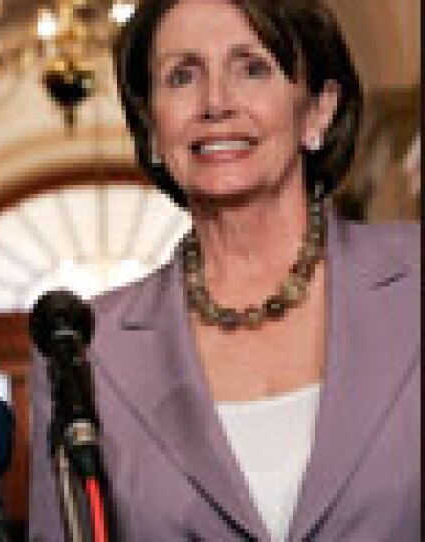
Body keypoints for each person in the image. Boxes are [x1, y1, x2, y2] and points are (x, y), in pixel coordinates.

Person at [28, 0, 420, 540]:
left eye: (252, 68)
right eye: (182, 76)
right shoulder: (85, 348)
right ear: (151, 125)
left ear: (318, 111)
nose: (216, 103)